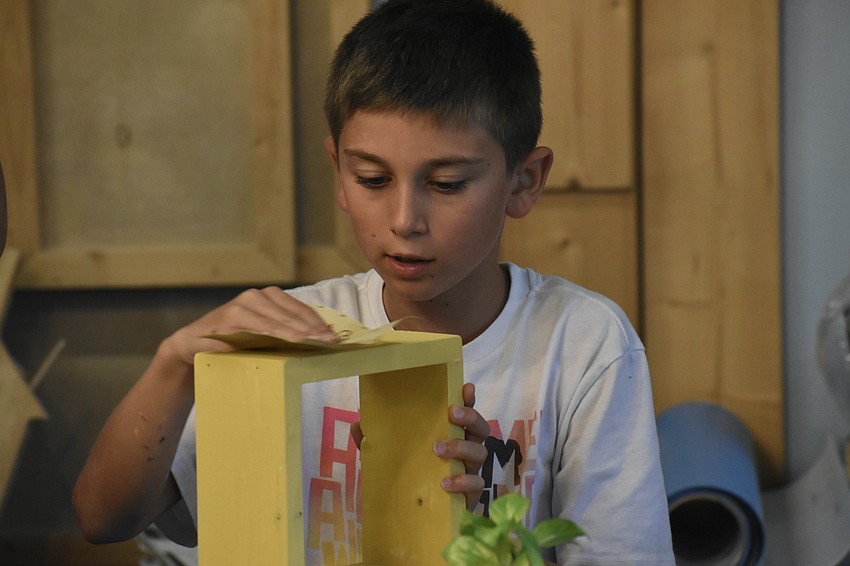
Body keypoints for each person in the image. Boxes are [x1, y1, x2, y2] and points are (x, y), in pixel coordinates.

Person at [73, 0, 674, 563]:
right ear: (339, 171)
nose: (404, 220)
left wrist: (485, 535)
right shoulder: (293, 334)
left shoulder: (582, 342)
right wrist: (176, 363)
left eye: (446, 184)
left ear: (524, 181)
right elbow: (103, 518)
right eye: (372, 179)